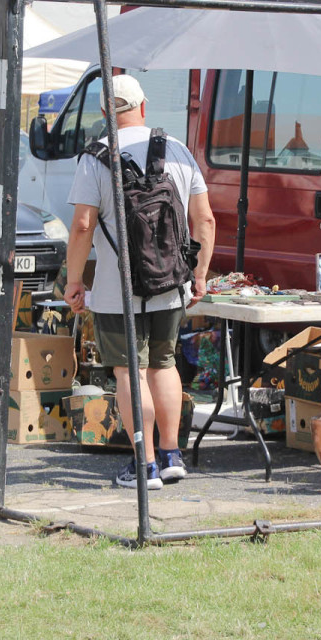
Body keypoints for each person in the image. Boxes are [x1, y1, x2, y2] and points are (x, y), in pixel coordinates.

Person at [64, 74, 216, 490]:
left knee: (130, 372)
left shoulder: (95, 158)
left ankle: (144, 465)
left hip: (117, 290)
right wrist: (199, 274)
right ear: (144, 107)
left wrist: (74, 280)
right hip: (171, 284)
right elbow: (204, 219)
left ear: (103, 112)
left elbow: (82, 226)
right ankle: (171, 456)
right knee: (164, 365)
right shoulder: (179, 151)